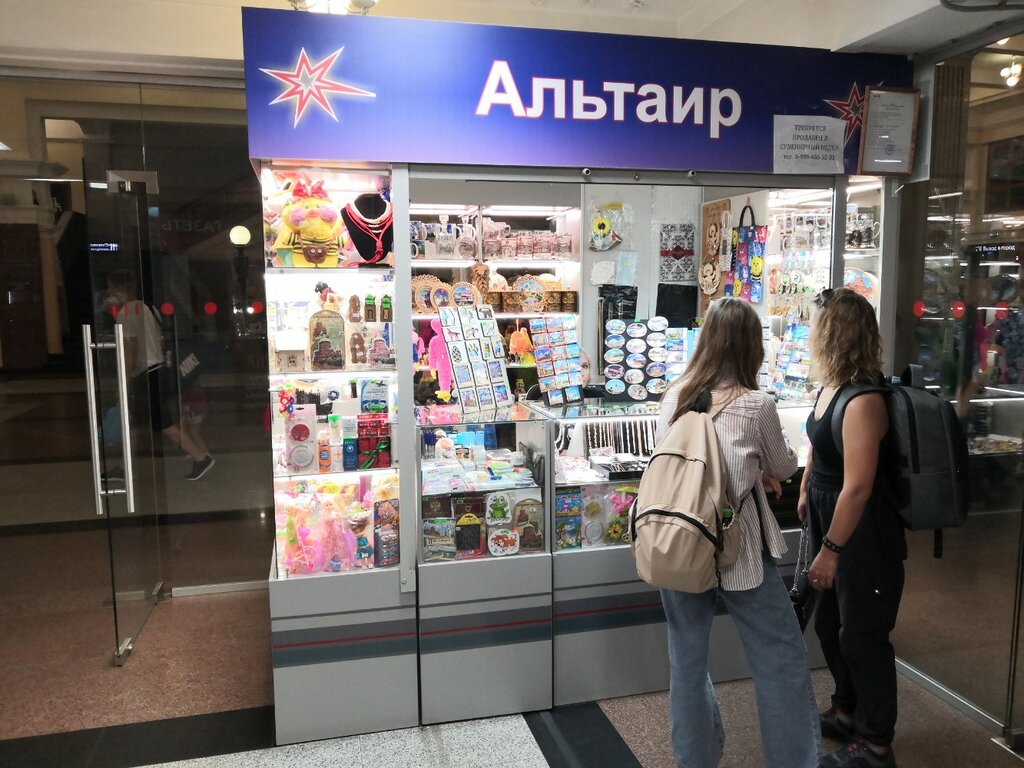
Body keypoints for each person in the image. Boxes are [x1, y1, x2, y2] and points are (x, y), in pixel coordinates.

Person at [656, 297, 820, 768]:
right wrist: (756, 471)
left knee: (687, 663)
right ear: (753, 347)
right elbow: (785, 466)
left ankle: (696, 759)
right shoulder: (756, 404)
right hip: (738, 546)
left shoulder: (674, 395)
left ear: (705, 339)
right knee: (779, 657)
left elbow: (673, 462)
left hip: (680, 543)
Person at [800, 288, 905, 768]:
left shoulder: (865, 401)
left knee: (863, 634)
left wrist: (830, 549)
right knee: (829, 623)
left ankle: (876, 743)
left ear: (832, 334)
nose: (809, 333)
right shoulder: (831, 388)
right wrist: (807, 484)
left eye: (815, 326)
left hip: (862, 530)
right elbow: (819, 443)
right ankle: (847, 711)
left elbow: (859, 487)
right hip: (831, 514)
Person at [107, 271, 215, 481]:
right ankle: (123, 467)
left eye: (111, 287)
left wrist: (124, 382)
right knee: (138, 422)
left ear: (119, 288)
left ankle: (200, 457)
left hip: (144, 374)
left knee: (161, 423)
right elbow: (160, 338)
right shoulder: (149, 308)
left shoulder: (126, 313)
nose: (109, 292)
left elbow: (131, 351)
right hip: (158, 370)